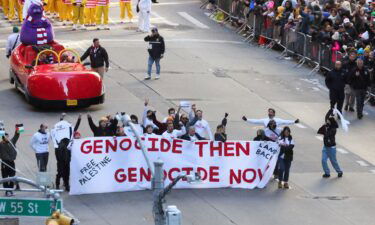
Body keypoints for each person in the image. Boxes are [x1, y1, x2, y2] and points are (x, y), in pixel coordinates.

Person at [51, 113, 81, 191]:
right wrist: (61, 118)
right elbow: (60, 127)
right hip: (61, 160)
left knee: (67, 173)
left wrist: (79, 119)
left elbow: (75, 127)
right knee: (60, 172)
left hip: (67, 160)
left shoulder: (69, 141)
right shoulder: (58, 143)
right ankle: (57, 184)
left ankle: (67, 185)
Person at [317, 109, 343, 178]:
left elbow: (327, 135)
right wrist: (324, 126)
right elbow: (319, 131)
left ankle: (339, 171)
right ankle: (327, 173)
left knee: (333, 161)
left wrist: (326, 127)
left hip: (331, 148)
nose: (327, 122)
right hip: (325, 147)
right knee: (323, 160)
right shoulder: (327, 127)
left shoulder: (333, 129)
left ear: (331, 122)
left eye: (328, 121)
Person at [0, 125, 20, 196]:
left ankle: (11, 190)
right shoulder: (1, 144)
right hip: (5, 163)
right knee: (5, 178)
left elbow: (16, 136)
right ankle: (7, 191)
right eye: (6, 137)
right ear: (3, 137)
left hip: (11, 162)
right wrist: (1, 128)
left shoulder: (11, 142)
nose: (7, 138)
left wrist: (18, 129)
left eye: (8, 136)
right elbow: (1, 134)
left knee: (12, 176)